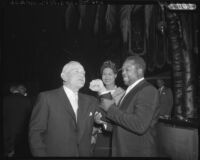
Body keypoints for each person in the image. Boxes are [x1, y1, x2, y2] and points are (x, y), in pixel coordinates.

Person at [91, 55, 160, 157]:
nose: (123, 73)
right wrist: (104, 123)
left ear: (139, 71)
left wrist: (110, 107)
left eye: (127, 69)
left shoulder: (148, 90)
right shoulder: (129, 90)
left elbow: (140, 125)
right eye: (122, 70)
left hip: (136, 152)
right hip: (123, 150)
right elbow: (123, 121)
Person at [29, 61, 99, 157]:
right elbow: (36, 134)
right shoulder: (46, 98)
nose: (82, 75)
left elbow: (109, 120)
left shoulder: (91, 101)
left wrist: (102, 91)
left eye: (83, 73)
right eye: (76, 71)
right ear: (64, 76)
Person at [92, 60, 124, 157]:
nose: (107, 77)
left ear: (115, 75)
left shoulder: (123, 93)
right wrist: (95, 120)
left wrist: (103, 122)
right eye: (104, 74)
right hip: (100, 137)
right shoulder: (97, 93)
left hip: (116, 137)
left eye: (110, 74)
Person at [3, 84, 32, 157]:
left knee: (9, 147)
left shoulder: (5, 99)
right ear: (21, 90)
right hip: (22, 128)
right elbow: (30, 114)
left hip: (7, 127)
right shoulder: (26, 100)